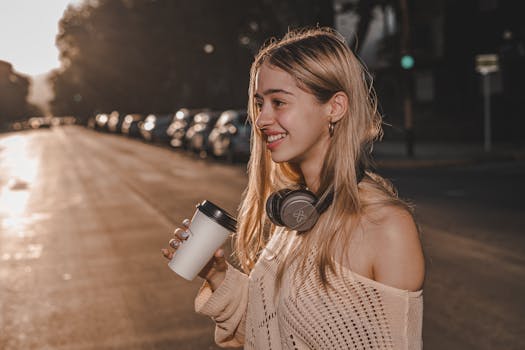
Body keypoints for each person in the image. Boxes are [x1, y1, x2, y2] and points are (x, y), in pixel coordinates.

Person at [162, 27, 425, 350]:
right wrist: (217, 274)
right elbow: (273, 334)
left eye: (279, 102)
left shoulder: (386, 227)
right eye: (260, 103)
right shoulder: (299, 214)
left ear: (335, 107)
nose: (260, 119)